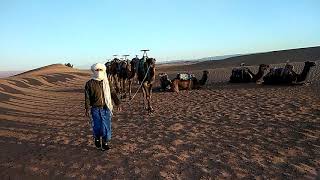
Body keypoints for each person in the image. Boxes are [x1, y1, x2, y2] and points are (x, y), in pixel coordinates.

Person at [85, 63, 121, 151]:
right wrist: (87, 108)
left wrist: (118, 103)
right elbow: (87, 97)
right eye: (97, 70)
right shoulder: (89, 83)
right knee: (98, 126)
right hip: (95, 108)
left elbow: (112, 93)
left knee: (106, 127)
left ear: (103, 71)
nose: (98, 72)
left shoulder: (107, 82)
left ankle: (105, 142)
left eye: (100, 70)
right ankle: (97, 138)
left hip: (106, 108)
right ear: (94, 71)